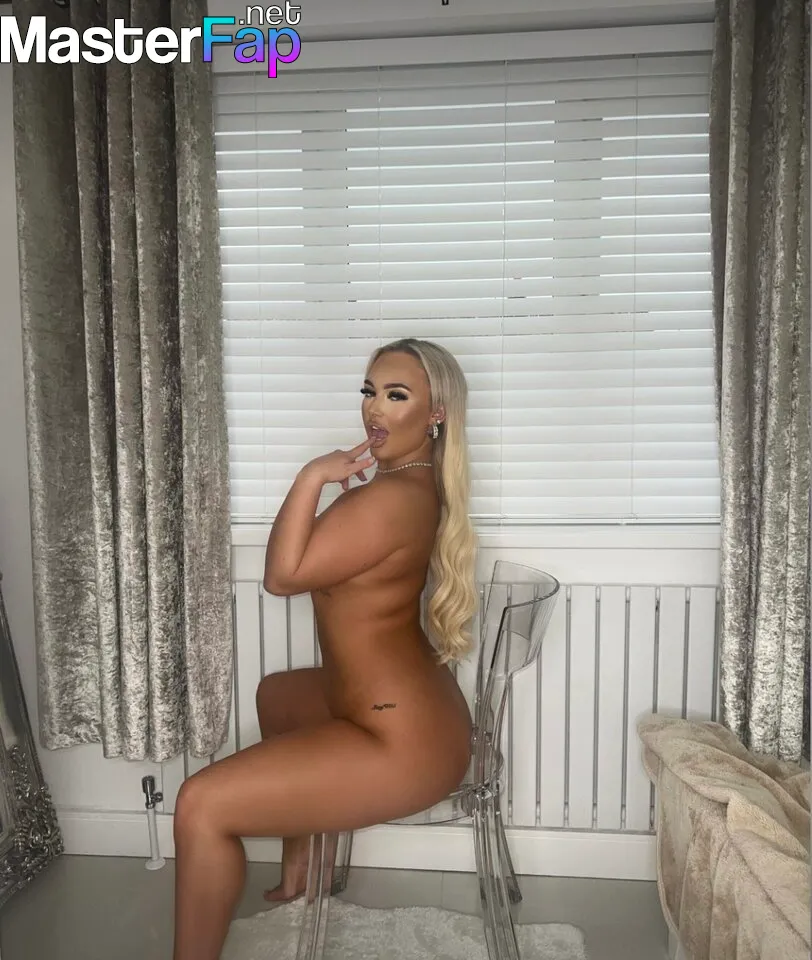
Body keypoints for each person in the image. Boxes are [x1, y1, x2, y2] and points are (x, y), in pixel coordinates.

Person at [172, 338, 478, 960]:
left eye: (397, 395)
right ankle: (303, 869)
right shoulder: (407, 483)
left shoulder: (390, 499)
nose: (375, 409)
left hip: (404, 743)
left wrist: (312, 475)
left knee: (199, 805)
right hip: (410, 711)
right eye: (369, 391)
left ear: (436, 413)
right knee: (278, 694)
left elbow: (282, 577)